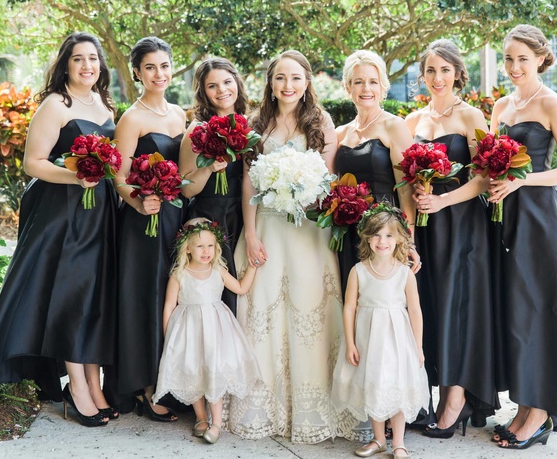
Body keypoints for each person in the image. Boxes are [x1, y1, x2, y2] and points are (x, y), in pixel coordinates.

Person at [0, 32, 118, 427]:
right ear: (65, 65)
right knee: (72, 297)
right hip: (65, 213)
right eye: (79, 59)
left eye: (93, 59)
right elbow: (33, 163)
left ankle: (94, 384)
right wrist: (77, 177)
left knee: (94, 296)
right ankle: (75, 387)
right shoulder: (56, 104)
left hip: (99, 211)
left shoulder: (104, 103)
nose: (87, 65)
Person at [227, 50, 359, 443]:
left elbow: (327, 178)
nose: (288, 85)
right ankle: (264, 404)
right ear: (270, 82)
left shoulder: (321, 121)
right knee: (263, 312)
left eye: (296, 78)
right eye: (280, 78)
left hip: (308, 229)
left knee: (309, 311)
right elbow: (248, 182)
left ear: (307, 82)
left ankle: (311, 408)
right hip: (266, 224)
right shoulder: (256, 122)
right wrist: (250, 233)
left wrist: (299, 190)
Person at [488, 24, 557, 449]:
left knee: (544, 308)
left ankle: (542, 412)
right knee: (518, 311)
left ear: (541, 59)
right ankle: (525, 404)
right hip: (509, 216)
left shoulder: (551, 103)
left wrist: (521, 182)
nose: (513, 67)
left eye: (522, 59)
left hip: (546, 216)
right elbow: (491, 163)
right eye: (508, 59)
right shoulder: (500, 107)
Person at [405, 39, 498, 436]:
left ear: (458, 73)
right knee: (432, 306)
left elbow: (484, 176)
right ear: (423, 76)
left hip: (462, 226)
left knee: (458, 307)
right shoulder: (412, 121)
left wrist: (443, 201)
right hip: (426, 230)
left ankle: (456, 400)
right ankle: (433, 394)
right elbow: (405, 181)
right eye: (430, 71)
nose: (438, 78)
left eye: (445, 70)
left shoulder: (471, 115)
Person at [107, 36, 186, 420]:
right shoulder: (131, 118)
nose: (159, 74)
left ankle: (175, 382)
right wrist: (139, 200)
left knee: (173, 300)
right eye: (150, 67)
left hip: (175, 219)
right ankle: (146, 388)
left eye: (165, 66)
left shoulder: (181, 115)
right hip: (143, 221)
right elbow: (117, 177)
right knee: (147, 299)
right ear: (137, 73)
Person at [331, 203, 429, 459]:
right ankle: (378, 439)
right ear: (367, 238)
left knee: (396, 386)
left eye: (388, 235)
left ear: (399, 239)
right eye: (376, 235)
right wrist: (351, 343)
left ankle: (398, 442)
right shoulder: (359, 271)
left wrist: (417, 347)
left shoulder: (405, 274)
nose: (382, 241)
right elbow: (349, 307)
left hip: (397, 340)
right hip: (367, 340)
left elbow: (415, 312)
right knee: (372, 385)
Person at [152, 218, 261, 445]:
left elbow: (241, 288)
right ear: (188, 248)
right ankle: (201, 418)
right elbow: (169, 307)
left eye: (210, 246)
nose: (206, 251)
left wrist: (253, 267)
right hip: (188, 334)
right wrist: (168, 336)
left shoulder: (218, 270)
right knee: (194, 373)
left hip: (216, 333)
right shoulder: (179, 275)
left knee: (213, 371)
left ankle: (216, 423)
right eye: (200, 246)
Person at [335, 50, 420, 296]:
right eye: (358, 82)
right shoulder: (340, 133)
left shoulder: (394, 126)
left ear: (382, 86)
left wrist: (407, 239)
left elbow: (405, 188)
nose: (366, 88)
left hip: (385, 231)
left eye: (373, 81)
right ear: (348, 86)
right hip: (347, 229)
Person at [179, 58, 249, 315]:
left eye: (227, 82)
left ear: (237, 83)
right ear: (203, 92)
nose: (222, 90)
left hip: (242, 216)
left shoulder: (249, 126)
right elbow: (186, 189)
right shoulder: (197, 129)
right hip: (210, 218)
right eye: (212, 86)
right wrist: (209, 167)